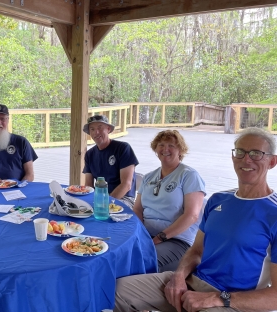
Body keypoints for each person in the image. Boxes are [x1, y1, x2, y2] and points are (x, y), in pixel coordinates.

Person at [114, 127, 277, 312]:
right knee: (118, 291)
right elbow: (197, 250)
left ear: (272, 161)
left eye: (256, 154)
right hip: (194, 281)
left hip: (233, 301)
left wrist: (217, 298)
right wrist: (179, 275)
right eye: (240, 152)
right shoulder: (218, 200)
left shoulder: (273, 213)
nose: (246, 159)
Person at [134, 130, 205, 272]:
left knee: (141, 261)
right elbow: (138, 209)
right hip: (147, 235)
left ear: (180, 150)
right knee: (117, 254)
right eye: (161, 145)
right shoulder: (149, 177)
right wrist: (140, 234)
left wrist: (159, 238)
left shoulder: (189, 175)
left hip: (177, 241)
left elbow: (192, 215)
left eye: (171, 145)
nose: (165, 149)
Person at [82, 115, 139, 208]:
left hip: (124, 198)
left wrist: (106, 203)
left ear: (108, 129)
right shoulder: (89, 154)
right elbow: (89, 186)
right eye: (92, 129)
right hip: (99, 198)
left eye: (100, 128)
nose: (96, 132)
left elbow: (126, 184)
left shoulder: (123, 148)